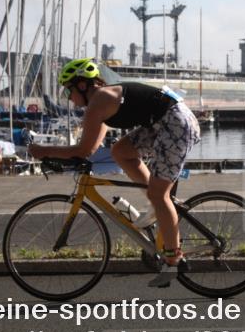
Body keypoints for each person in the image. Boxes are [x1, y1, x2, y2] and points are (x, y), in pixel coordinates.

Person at [27, 58, 201, 287]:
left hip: (176, 124)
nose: (68, 98)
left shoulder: (99, 101)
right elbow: (91, 149)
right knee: (121, 151)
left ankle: (174, 258)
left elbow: (84, 149)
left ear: (81, 85)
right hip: (163, 122)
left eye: (68, 90)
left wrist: (44, 151)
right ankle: (158, 204)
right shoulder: (100, 101)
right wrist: (56, 155)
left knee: (160, 195)